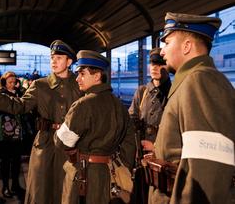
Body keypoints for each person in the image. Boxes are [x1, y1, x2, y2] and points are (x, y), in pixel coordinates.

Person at [148, 12, 235, 203]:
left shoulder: (200, 81)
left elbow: (207, 176)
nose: (162, 52)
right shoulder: (192, 81)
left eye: (167, 43)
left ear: (187, 46)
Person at [0, 40, 83, 204]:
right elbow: (20, 106)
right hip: (45, 145)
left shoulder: (79, 85)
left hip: (72, 146)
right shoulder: (40, 85)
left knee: (69, 192)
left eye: (59, 57)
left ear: (69, 61)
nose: (54, 61)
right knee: (41, 191)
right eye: (52, 58)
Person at [55, 50, 135, 204]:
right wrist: (122, 167)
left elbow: (61, 142)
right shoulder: (119, 105)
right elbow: (130, 142)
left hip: (84, 175)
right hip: (112, 174)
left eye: (82, 74)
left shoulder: (83, 105)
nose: (77, 78)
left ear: (97, 76)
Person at [128, 47, 171, 204]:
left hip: (162, 158)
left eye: (160, 63)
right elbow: (131, 118)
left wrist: (156, 146)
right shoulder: (142, 92)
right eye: (152, 63)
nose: (154, 67)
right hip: (142, 157)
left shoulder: (173, 93)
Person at [0, 71, 23, 198]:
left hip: (17, 132)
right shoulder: (1, 95)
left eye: (14, 82)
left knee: (16, 160)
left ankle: (15, 184)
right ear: (4, 82)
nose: (13, 84)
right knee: (5, 161)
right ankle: (5, 186)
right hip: (3, 133)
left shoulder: (19, 93)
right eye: (10, 82)